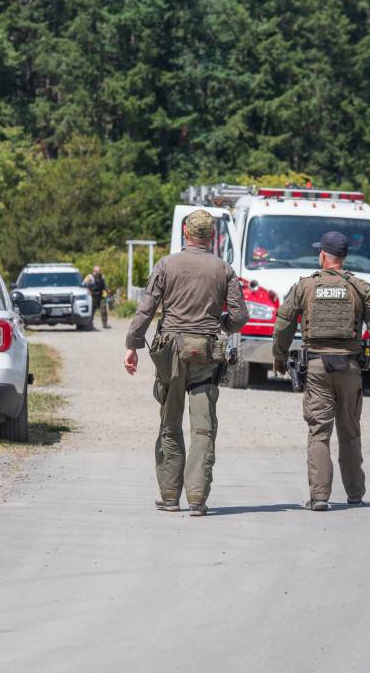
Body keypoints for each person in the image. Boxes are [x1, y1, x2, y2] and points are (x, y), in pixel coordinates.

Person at [124, 209, 248, 516]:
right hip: (206, 351)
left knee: (170, 422)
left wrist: (133, 345)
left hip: (171, 352)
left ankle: (169, 496)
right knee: (203, 429)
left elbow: (146, 309)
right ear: (213, 237)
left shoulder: (166, 264)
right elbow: (241, 316)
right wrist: (222, 325)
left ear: (185, 234)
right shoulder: (224, 269)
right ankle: (196, 498)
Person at [272, 230, 370, 511]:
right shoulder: (360, 287)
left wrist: (278, 357)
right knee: (349, 432)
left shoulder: (305, 286)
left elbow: (283, 324)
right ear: (344, 256)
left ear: (323, 255)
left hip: (316, 366)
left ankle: (320, 496)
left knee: (319, 432)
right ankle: (354, 493)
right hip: (349, 365)